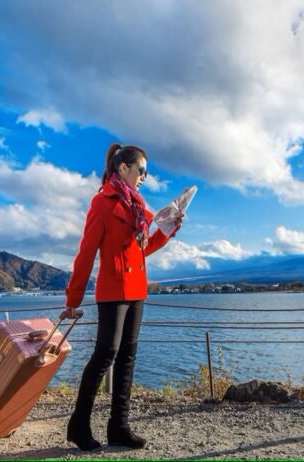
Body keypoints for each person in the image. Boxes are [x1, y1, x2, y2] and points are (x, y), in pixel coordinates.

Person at [64, 143, 182, 451]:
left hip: (136, 289)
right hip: (113, 289)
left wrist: (168, 229)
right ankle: (79, 425)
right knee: (105, 355)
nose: (145, 176)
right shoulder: (102, 203)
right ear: (123, 169)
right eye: (141, 169)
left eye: (147, 171)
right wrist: (73, 298)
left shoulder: (140, 208)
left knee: (128, 357)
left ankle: (119, 426)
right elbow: (86, 253)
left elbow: (145, 248)